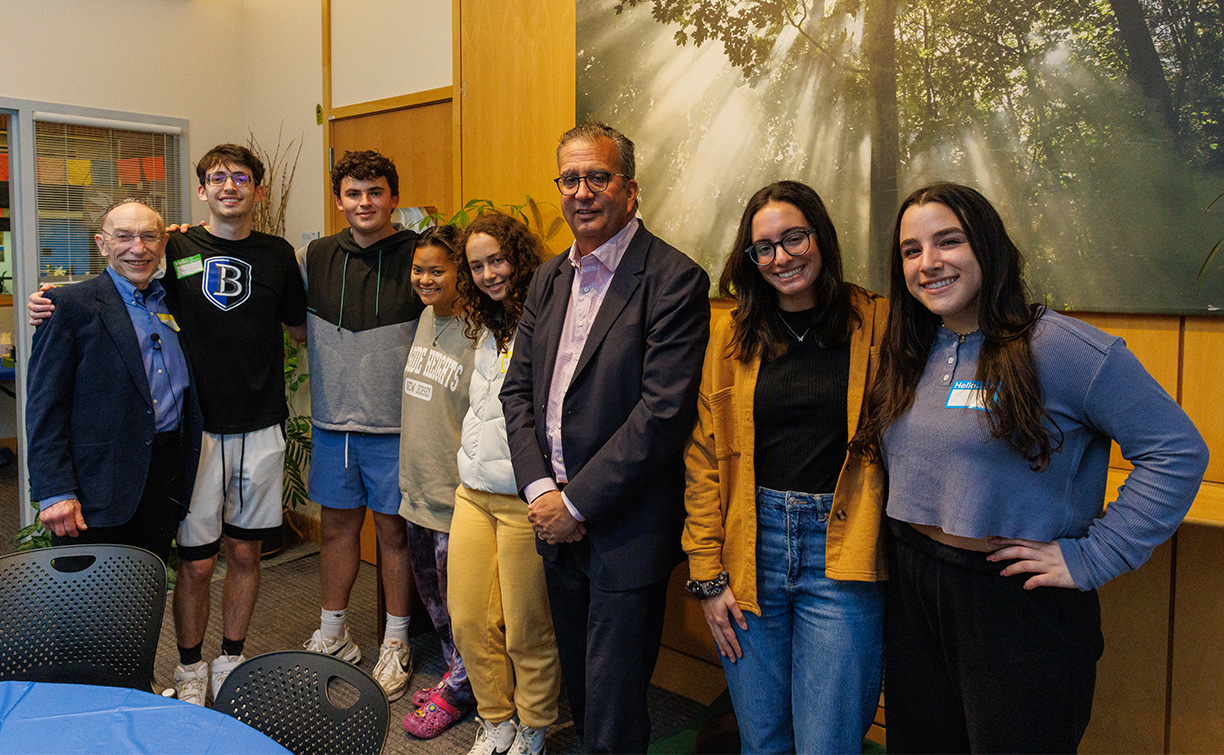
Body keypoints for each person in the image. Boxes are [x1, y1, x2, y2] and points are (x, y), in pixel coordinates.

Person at [849, 182, 1209, 752]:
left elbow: (1177, 451)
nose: (928, 262)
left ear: (988, 247)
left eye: (949, 241)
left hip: (1015, 602)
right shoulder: (911, 346)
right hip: (915, 584)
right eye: (912, 250)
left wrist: (1094, 555)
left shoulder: (1062, 348)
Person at [29, 143, 308, 706]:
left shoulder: (277, 254)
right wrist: (53, 299)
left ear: (257, 188)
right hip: (194, 437)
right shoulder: (174, 244)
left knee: (247, 554)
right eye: (219, 178)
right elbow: (119, 272)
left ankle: (231, 657)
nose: (231, 187)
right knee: (196, 563)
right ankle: (188, 668)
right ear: (202, 190)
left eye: (243, 178)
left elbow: (303, 330)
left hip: (260, 428)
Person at [500, 121, 711, 753]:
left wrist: (575, 503)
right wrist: (542, 492)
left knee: (617, 703)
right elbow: (517, 393)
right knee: (582, 695)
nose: (583, 191)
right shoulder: (547, 278)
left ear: (631, 189)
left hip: (623, 525)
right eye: (571, 178)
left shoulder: (674, 278)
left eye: (599, 176)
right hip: (552, 518)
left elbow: (662, 413)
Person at [684, 181, 888, 754]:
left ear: (820, 237)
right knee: (764, 741)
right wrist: (706, 571)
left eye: (793, 238)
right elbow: (702, 457)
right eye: (763, 248)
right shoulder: (731, 334)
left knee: (829, 744)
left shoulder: (876, 324)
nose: (781, 257)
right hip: (751, 548)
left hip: (844, 554)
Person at [296, 150, 423, 701]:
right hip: (331, 423)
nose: (364, 202)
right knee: (338, 529)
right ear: (339, 199)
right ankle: (334, 633)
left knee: (395, 534)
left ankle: (396, 643)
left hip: (399, 427)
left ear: (393, 198)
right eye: (353, 192)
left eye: (375, 192)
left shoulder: (421, 254)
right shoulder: (314, 255)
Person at [27, 199, 202, 567]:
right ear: (102, 244)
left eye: (149, 236)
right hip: (95, 488)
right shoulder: (69, 305)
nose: (137, 248)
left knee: (142, 598)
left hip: (162, 478)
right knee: (86, 610)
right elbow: (45, 406)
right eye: (123, 236)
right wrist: (55, 490)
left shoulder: (172, 301)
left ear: (163, 245)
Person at [448, 213, 559, 755]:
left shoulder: (548, 321)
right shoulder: (484, 325)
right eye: (477, 265)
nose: (490, 273)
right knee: (467, 618)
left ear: (519, 258)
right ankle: (497, 720)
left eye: (498, 259)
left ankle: (533, 726)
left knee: (525, 627)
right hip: (473, 491)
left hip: (524, 498)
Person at [398, 224, 479, 739]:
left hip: (456, 497)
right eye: (419, 269)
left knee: (464, 608)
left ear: (461, 273)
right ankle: (457, 676)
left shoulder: (478, 330)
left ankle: (464, 687)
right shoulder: (426, 318)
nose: (425, 279)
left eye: (437, 270)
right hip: (417, 490)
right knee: (435, 605)